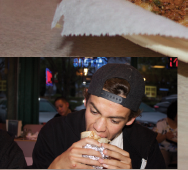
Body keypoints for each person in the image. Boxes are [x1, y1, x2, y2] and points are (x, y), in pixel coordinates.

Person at [32, 64, 166, 169]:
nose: (99, 127)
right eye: (94, 112)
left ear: (130, 119)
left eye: (114, 120)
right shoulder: (54, 132)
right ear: (85, 100)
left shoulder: (145, 145)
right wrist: (55, 167)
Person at [153, 101, 177, 167]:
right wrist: (165, 136)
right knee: (163, 161)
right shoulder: (162, 123)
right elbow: (155, 140)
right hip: (164, 149)